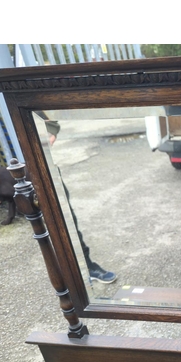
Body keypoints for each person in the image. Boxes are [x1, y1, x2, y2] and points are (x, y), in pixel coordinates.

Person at [40, 113, 117, 284]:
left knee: (66, 220)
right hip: (9, 171)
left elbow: (45, 115)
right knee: (42, 228)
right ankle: (65, 275)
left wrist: (50, 131)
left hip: (43, 166)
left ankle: (86, 267)